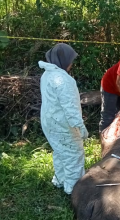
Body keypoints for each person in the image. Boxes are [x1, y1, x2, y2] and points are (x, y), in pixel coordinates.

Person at [39, 43, 88, 195]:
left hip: (49, 122)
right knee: (73, 155)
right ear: (63, 59)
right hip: (63, 125)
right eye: (70, 60)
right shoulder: (63, 80)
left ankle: (60, 180)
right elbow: (70, 108)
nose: (71, 64)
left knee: (60, 152)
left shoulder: (47, 74)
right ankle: (74, 191)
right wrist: (80, 127)